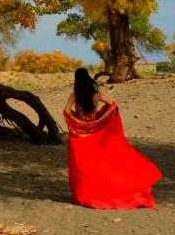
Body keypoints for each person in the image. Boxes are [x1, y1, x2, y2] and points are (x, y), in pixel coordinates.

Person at [63, 67, 162, 209]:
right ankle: (101, 192)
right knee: (100, 165)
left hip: (81, 137)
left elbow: (66, 111)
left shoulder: (74, 95)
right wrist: (101, 118)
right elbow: (113, 106)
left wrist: (77, 122)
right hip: (96, 134)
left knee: (83, 167)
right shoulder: (97, 95)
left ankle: (84, 195)